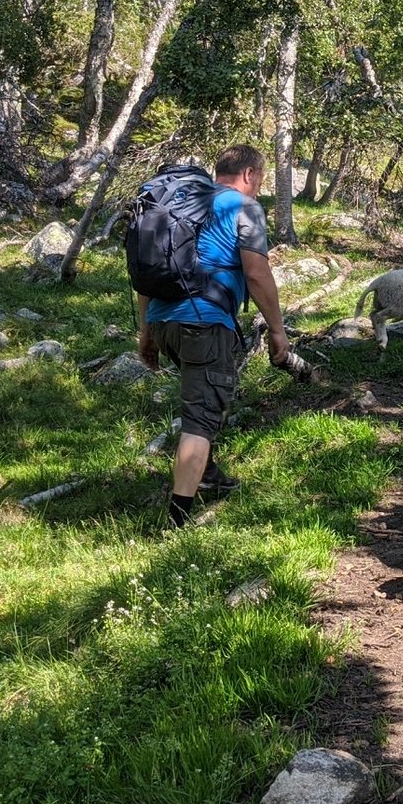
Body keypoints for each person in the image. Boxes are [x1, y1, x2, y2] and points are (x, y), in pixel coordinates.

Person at [136, 144, 290, 527]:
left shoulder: (181, 203)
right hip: (203, 321)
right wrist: (277, 330)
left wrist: (146, 331)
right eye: (261, 180)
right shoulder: (243, 206)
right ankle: (177, 522)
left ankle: (206, 472)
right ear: (250, 174)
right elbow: (256, 273)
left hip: (163, 319)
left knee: (204, 397)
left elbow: (144, 274)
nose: (258, 188)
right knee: (199, 419)